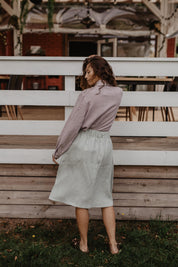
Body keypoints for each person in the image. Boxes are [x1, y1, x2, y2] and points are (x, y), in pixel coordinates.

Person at [49, 55, 123, 254]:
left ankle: (83, 244)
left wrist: (59, 149)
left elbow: (73, 126)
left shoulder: (87, 95)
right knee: (106, 197)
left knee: (82, 198)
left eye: (89, 71)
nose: (86, 76)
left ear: (99, 71)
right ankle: (113, 245)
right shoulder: (118, 93)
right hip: (104, 144)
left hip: (85, 143)